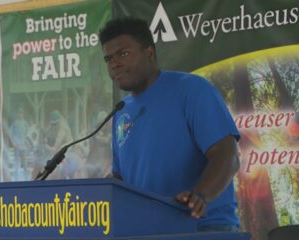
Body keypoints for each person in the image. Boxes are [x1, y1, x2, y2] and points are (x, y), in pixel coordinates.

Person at [99, 18, 241, 232]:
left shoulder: (192, 90)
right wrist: (101, 191)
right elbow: (122, 177)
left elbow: (227, 155)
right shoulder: (121, 111)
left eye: (123, 54)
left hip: (202, 227)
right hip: (145, 231)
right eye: (108, 59)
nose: (114, 63)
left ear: (149, 52)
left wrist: (200, 195)